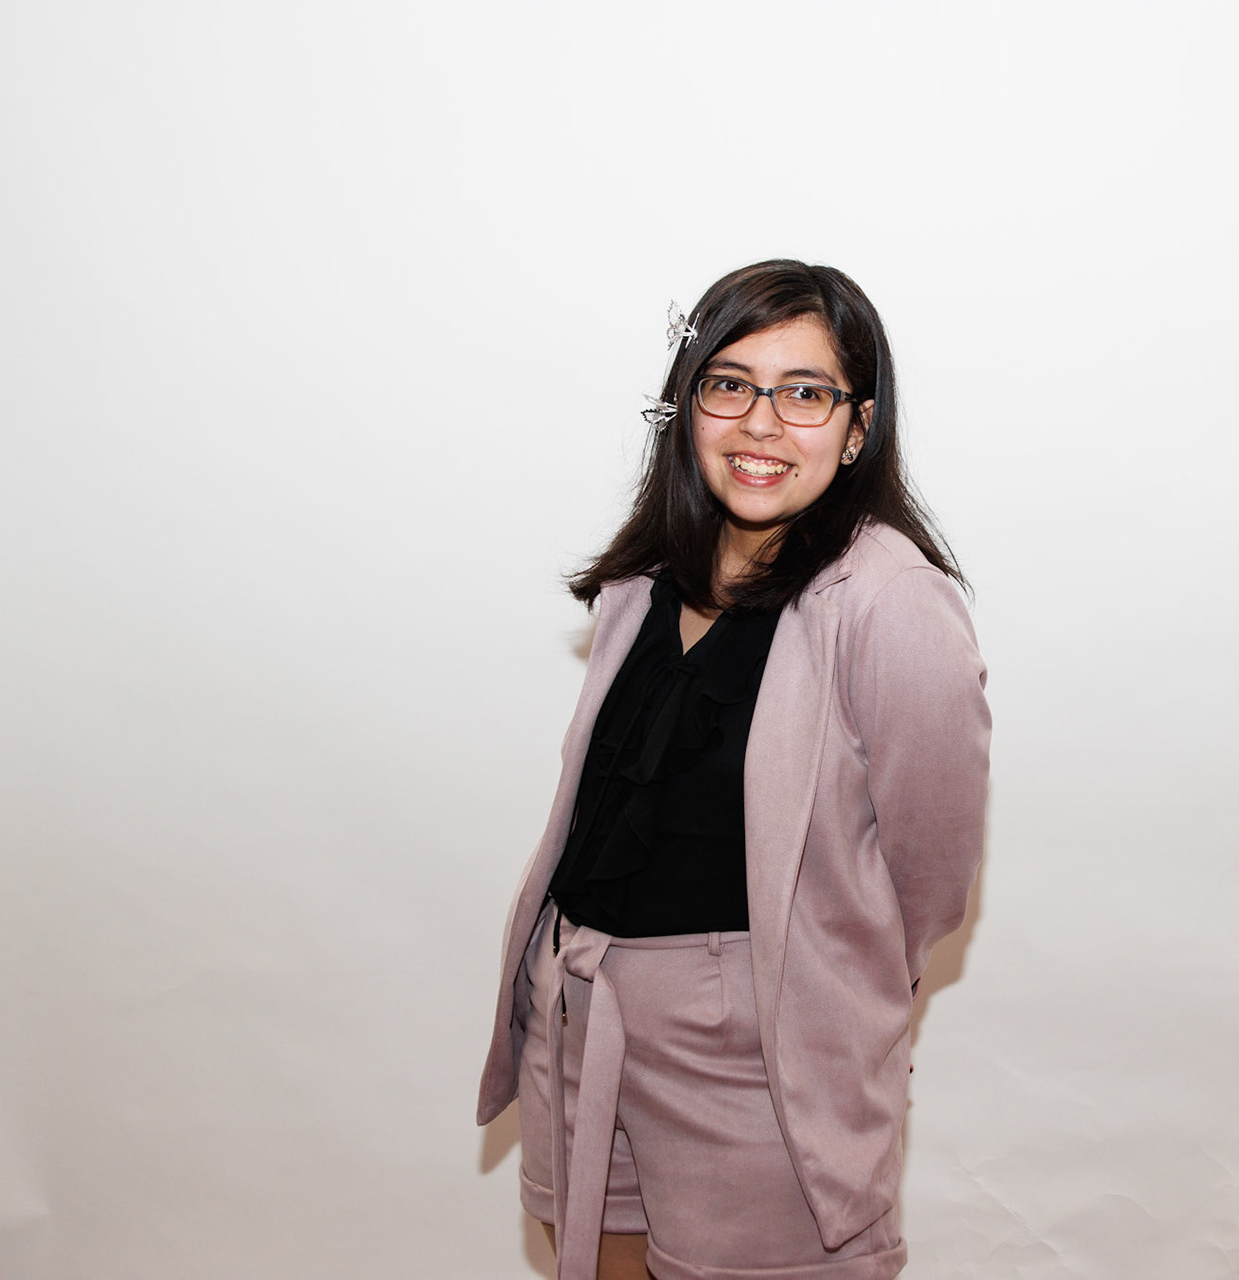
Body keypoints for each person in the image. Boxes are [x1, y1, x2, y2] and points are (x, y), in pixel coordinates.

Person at [476, 259, 990, 1280]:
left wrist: (819, 991)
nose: (761, 422)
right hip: (583, 1010)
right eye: (730, 383)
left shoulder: (890, 602)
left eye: (804, 392)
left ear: (857, 427)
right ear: (688, 404)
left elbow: (929, 877)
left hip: (757, 1055)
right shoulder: (646, 579)